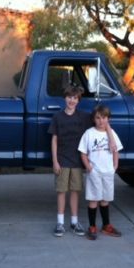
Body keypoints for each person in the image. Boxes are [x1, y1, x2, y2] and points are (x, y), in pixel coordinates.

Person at [48, 85, 117, 237]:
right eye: (69, 97)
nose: (72, 100)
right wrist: (55, 161)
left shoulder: (84, 117)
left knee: (75, 191)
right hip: (62, 160)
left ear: (78, 100)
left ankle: (74, 222)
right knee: (61, 191)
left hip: (78, 161)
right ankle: (60, 223)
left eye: (75, 98)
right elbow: (54, 140)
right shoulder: (58, 117)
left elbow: (103, 121)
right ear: (64, 98)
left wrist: (112, 140)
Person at [78, 104, 123, 240]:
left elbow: (116, 150)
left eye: (104, 118)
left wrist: (115, 165)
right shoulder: (89, 133)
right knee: (93, 199)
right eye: (98, 118)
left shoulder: (111, 133)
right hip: (95, 172)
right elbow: (83, 152)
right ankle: (92, 226)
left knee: (105, 200)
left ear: (108, 119)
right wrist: (88, 166)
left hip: (108, 171)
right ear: (93, 119)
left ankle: (106, 225)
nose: (101, 121)